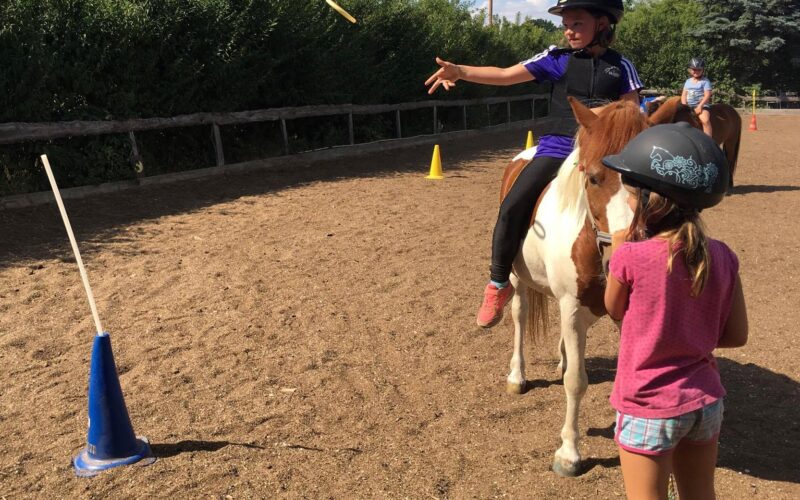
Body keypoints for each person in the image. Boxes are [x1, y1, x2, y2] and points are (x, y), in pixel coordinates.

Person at [424, 0, 644, 328]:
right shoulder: (556, 59)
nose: (569, 30)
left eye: (578, 23)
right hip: (558, 149)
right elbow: (505, 74)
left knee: (653, 205)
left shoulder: (621, 66)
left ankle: (651, 276)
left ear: (602, 24)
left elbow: (633, 111)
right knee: (513, 204)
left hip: (606, 155)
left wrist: (599, 117)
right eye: (566, 24)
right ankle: (498, 282)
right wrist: (461, 72)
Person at [602, 123, 748, 500]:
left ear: (650, 200)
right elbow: (735, 336)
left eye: (629, 193)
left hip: (648, 404)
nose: (626, 199)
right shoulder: (723, 256)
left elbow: (612, 308)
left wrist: (619, 250)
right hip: (704, 402)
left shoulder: (630, 256)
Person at [681, 57, 713, 137]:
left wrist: (700, 106)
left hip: (701, 105)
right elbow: (684, 95)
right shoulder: (688, 81)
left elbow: (707, 95)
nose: (696, 71)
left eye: (699, 70)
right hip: (688, 106)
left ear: (703, 70)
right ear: (690, 70)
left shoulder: (705, 81)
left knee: (705, 120)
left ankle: (708, 140)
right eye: (694, 69)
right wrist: (684, 106)